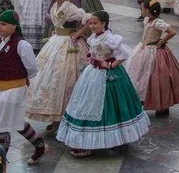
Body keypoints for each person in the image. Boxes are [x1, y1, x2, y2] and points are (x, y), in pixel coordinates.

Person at [57, 11, 150, 157]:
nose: (92, 26)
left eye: (95, 23)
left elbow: (123, 54)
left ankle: (117, 139)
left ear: (103, 23)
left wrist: (111, 65)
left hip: (108, 76)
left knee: (112, 105)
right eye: (90, 23)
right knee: (87, 103)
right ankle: (88, 141)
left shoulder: (110, 38)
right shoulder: (93, 37)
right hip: (92, 74)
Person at [25, 0, 90, 135]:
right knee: (49, 77)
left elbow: (88, 19)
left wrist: (78, 34)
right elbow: (59, 24)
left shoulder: (71, 8)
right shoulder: (54, 6)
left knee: (66, 78)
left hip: (69, 45)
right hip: (55, 43)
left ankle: (65, 117)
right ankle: (55, 117)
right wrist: (57, 31)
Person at [0, 10, 48, 164]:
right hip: (1, 89)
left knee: (2, 124)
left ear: (14, 27)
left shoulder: (22, 45)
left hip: (14, 90)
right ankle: (40, 145)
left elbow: (32, 68)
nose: (0, 27)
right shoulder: (0, 42)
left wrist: (18, 79)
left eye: (4, 24)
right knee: (17, 121)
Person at [126, 0, 179, 115]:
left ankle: (162, 104)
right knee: (140, 75)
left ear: (148, 10)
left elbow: (172, 32)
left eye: (142, 9)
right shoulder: (146, 20)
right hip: (143, 49)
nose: (141, 11)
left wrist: (161, 41)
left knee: (157, 77)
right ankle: (141, 99)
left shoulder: (157, 22)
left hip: (153, 52)